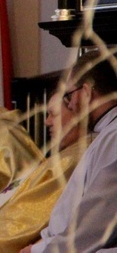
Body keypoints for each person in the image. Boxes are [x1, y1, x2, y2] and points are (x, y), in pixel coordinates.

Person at [0, 90, 92, 252]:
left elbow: (26, 219)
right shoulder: (71, 155)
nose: (47, 122)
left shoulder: (70, 161)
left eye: (53, 114)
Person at [21, 49, 117, 253]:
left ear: (87, 92)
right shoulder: (106, 135)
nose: (70, 105)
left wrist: (37, 251)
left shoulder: (113, 138)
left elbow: (93, 226)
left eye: (69, 96)